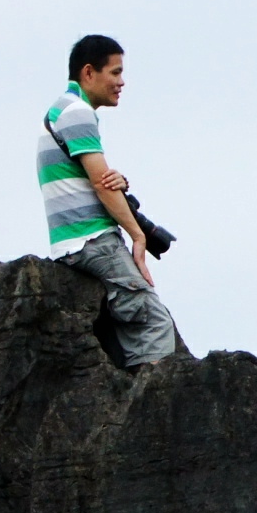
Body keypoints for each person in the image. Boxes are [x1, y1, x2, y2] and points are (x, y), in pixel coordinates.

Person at [38, 35, 179, 367]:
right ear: (89, 73)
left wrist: (117, 181)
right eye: (114, 73)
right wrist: (139, 235)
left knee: (116, 332)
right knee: (153, 322)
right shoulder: (76, 112)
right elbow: (102, 186)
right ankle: (155, 406)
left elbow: (98, 178)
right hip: (92, 239)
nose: (121, 82)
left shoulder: (61, 110)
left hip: (70, 242)